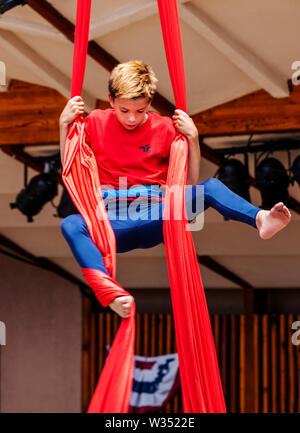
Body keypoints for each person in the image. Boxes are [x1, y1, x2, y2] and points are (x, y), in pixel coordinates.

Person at [59, 60, 291, 319]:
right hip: (111, 224)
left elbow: (188, 185)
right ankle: (109, 293)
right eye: (124, 110)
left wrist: (193, 139)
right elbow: (72, 167)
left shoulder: (166, 128)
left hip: (158, 215)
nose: (132, 118)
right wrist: (63, 126)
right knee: (70, 224)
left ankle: (260, 218)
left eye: (140, 109)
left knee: (211, 187)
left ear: (150, 102)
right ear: (110, 100)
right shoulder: (94, 122)